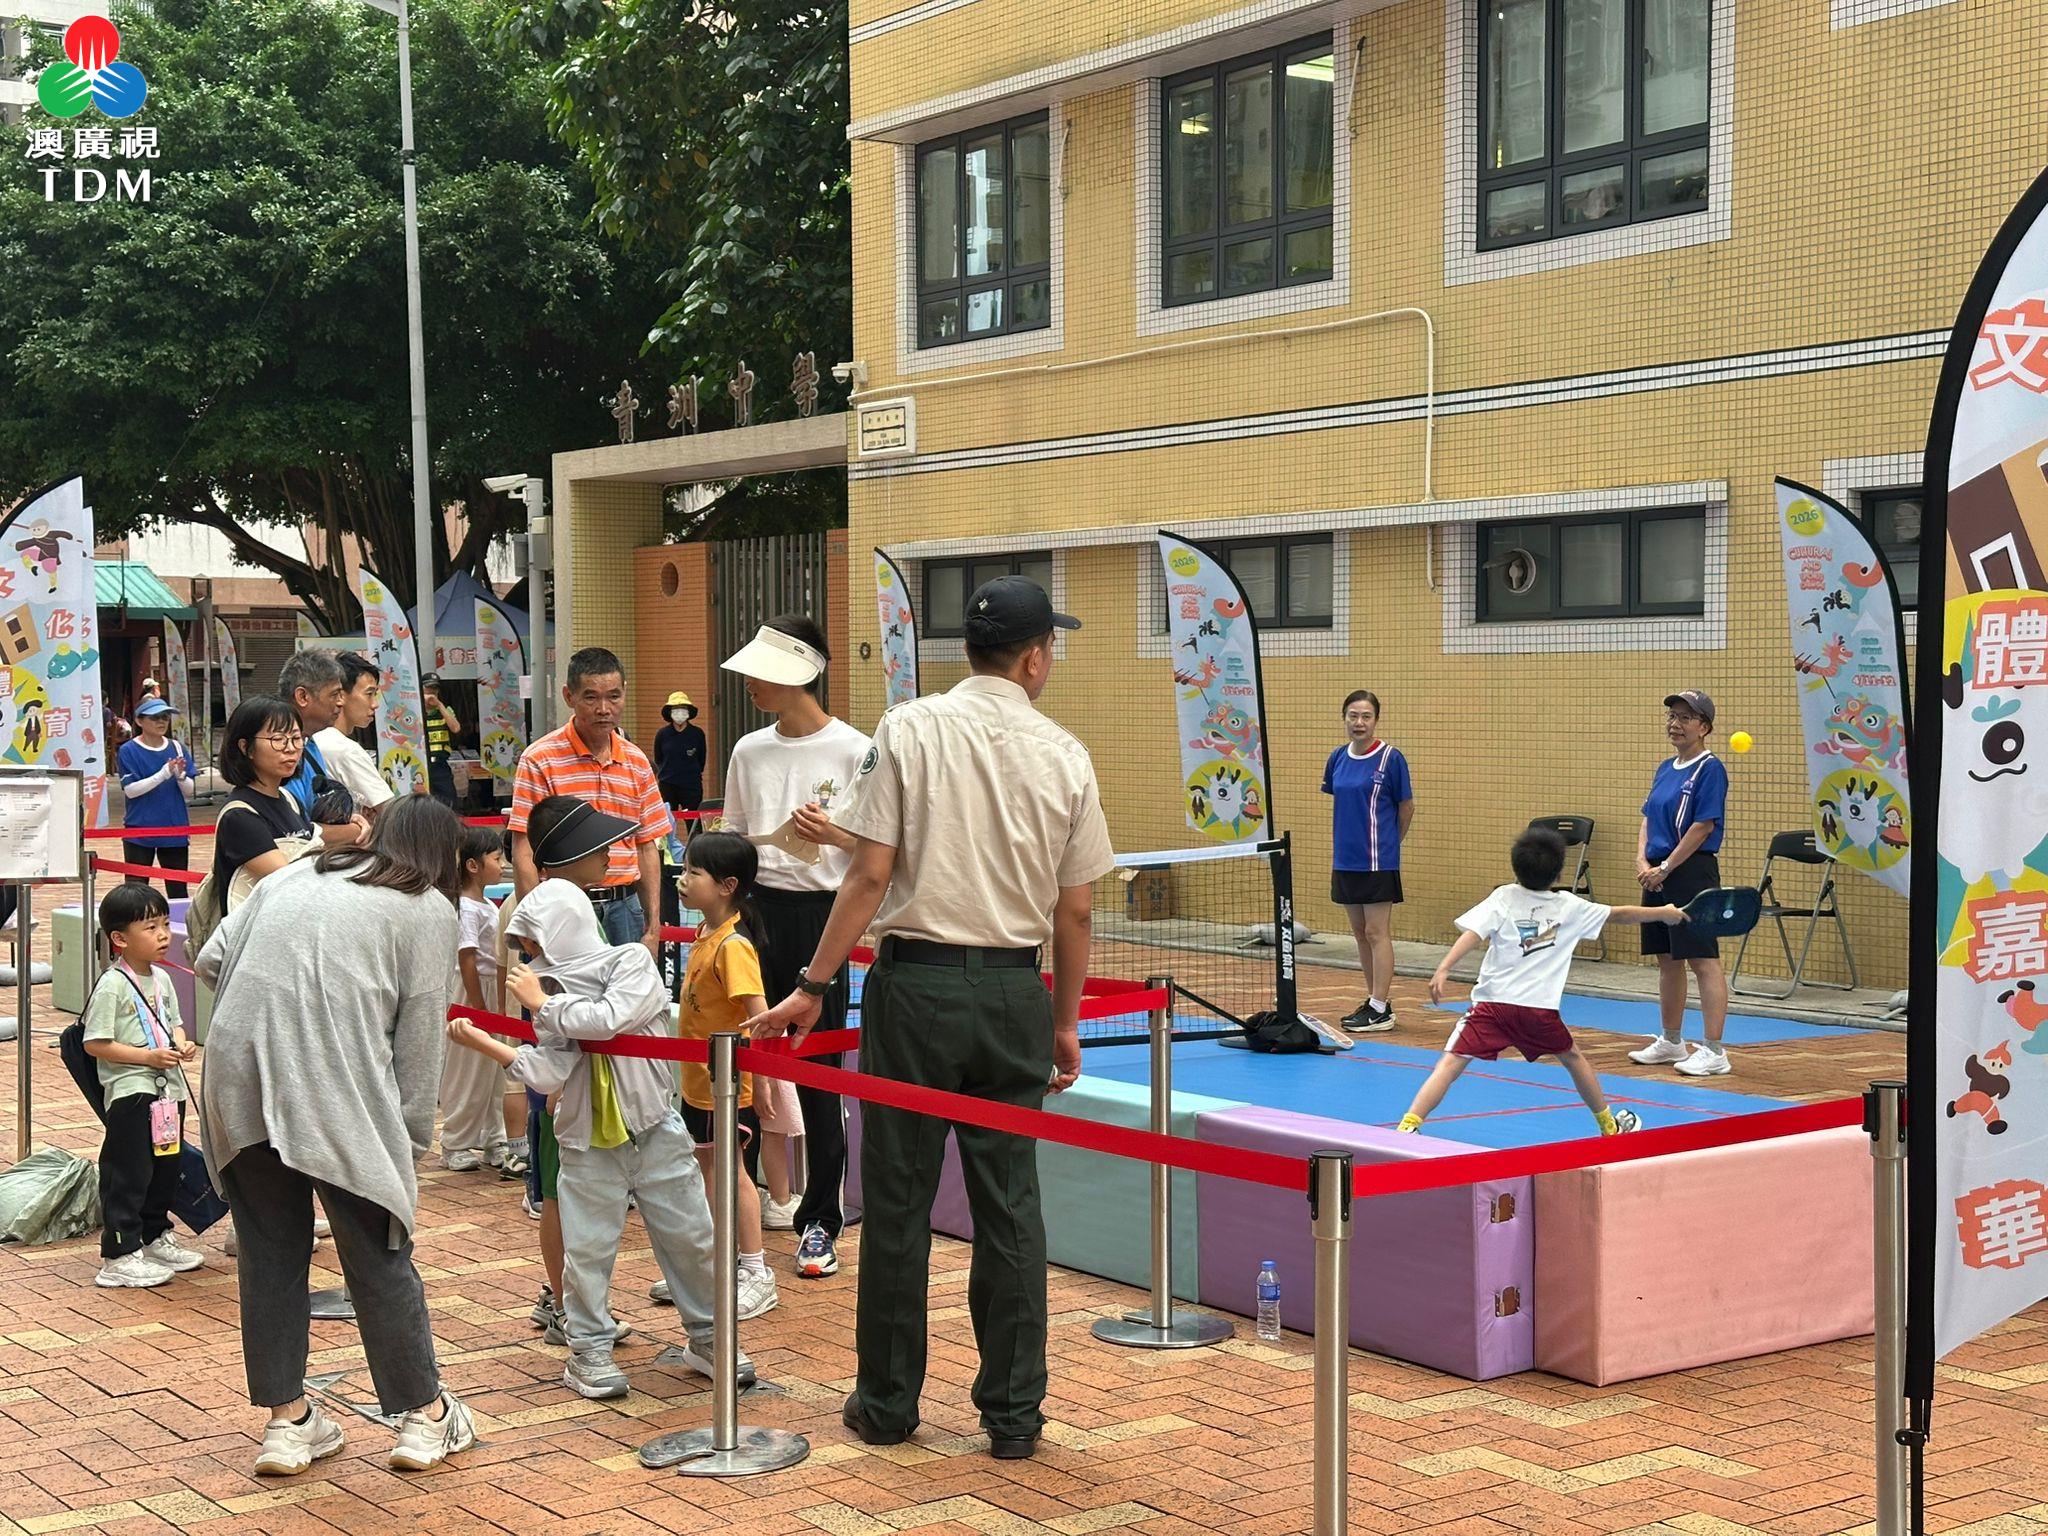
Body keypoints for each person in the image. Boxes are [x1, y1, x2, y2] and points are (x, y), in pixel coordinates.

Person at [754, 576, 1114, 1461]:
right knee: (1011, 1205)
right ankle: (1014, 1417)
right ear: (1035, 659)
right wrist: (1064, 1021)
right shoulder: (1065, 754)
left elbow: (870, 872)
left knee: (899, 1200)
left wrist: (812, 982)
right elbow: (1074, 911)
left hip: (914, 989)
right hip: (1014, 992)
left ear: (971, 650)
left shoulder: (909, 728)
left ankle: (886, 1405)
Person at [195, 798, 477, 1476]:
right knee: (378, 1249)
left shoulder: (297, 872)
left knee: (269, 1252)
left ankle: (288, 1424)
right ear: (444, 856)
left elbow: (209, 958)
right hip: (332, 1083)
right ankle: (424, 1417)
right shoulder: (427, 909)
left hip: (236, 1073)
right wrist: (409, 1141)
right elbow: (420, 1043)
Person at [444, 800, 752, 1402]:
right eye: (526, 947)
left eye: (534, 942)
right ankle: (588, 1349)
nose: (532, 958)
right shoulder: (553, 992)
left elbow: (606, 1020)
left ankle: (710, 1339)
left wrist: (543, 1004)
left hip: (655, 1128)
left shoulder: (629, 962)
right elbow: (547, 1069)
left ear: (564, 928)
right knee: (587, 1250)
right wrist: (489, 1043)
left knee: (691, 1238)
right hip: (586, 1140)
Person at [719, 616, 870, 1274]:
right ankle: (741, 1219)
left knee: (819, 1072)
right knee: (740, 1066)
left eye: (760, 672)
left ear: (798, 674)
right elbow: (731, 838)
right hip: (752, 914)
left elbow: (881, 851)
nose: (749, 684)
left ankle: (820, 1221)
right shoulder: (749, 751)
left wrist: (833, 836)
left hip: (821, 919)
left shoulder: (856, 750)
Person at [1400, 828, 1683, 1135]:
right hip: (1538, 1011)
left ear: (1516, 867)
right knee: (1573, 1058)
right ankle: (1609, 1127)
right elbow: (1621, 914)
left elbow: (1473, 934)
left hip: (1492, 1007)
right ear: (1559, 873)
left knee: (1451, 1063)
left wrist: (1444, 968)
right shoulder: (1570, 906)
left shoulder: (1504, 896)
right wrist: (1663, 912)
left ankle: (1408, 1125)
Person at [672, 832, 778, 1320]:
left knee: (734, 1173)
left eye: (694, 872)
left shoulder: (734, 946)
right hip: (699, 1085)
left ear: (727, 885)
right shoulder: (705, 934)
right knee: (708, 1171)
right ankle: (720, 1263)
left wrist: (766, 1080)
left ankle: (755, 1270)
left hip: (729, 1087)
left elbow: (760, 1018)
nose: (683, 880)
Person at [83, 882, 203, 1289]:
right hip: (132, 1092)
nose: (163, 935)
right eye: (151, 928)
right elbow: (95, 1043)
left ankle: (154, 1236)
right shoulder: (113, 983)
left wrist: (182, 1043)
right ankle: (119, 1253)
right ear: (119, 938)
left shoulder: (162, 978)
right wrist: (147, 1057)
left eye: (165, 924)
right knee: (129, 1172)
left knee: (164, 1168)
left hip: (168, 1091)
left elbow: (174, 1024)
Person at [509, 647, 667, 953]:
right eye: (591, 697)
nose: (604, 709)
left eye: (614, 696)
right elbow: (524, 850)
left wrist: (653, 927)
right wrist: (533, 925)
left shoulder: (637, 761)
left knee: (628, 986)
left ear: (625, 693)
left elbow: (646, 846)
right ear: (569, 696)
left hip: (626, 909)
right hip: (562, 910)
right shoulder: (539, 759)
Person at [1626, 690, 1736, 1077]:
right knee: (1667, 959)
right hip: (1657, 873)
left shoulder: (1710, 769)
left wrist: (1667, 866)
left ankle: (1714, 1050)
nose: (1675, 723)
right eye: (1672, 716)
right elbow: (1648, 816)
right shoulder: (1665, 767)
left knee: (1702, 959)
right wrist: (1643, 861)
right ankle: (1671, 1041)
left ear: (1704, 727)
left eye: (1686, 718)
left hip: (1691, 872)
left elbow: (1703, 825)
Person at [1322, 690, 1414, 1033]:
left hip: (1378, 860)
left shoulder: (1391, 759)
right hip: (1345, 859)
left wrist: (1390, 844)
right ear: (1344, 718)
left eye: (1366, 716)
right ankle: (1376, 1001)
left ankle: (1379, 1008)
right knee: (1360, 933)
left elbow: (1406, 807)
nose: (1359, 722)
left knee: (1376, 931)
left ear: (1376, 720)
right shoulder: (1337, 757)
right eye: (1353, 716)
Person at [437, 825, 522, 1173]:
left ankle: (494, 1138)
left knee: (493, 1071)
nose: (502, 865)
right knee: (468, 1070)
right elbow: (467, 957)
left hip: (487, 989)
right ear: (473, 865)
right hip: (472, 992)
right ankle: (455, 1141)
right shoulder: (466, 908)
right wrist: (478, 1006)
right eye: (496, 859)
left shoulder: (486, 904)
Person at [213, 697, 319, 908]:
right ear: (246, 747)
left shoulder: (289, 800)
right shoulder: (240, 815)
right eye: (278, 739)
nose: (291, 748)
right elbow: (291, 881)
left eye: (296, 738)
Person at [276, 651, 367, 848]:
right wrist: (354, 831)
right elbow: (293, 833)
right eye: (334, 694)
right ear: (302, 696)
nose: (341, 702)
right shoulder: (277, 753)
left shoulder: (310, 745)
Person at [118, 697, 197, 893]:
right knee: (136, 889)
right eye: (155, 717)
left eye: (165, 717)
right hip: (140, 828)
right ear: (139, 721)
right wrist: (162, 774)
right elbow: (131, 790)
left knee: (178, 889)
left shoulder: (177, 748)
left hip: (174, 827)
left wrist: (180, 776)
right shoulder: (129, 750)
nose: (161, 722)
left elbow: (189, 791)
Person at [312, 653, 396, 819]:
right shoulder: (344, 749)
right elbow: (390, 811)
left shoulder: (315, 739)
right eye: (369, 694)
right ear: (340, 695)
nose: (375, 704)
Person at [653, 691, 707, 823]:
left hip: (691, 785)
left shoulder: (697, 733)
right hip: (668, 784)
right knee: (667, 822)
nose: (679, 713)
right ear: (670, 713)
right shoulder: (662, 734)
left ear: (688, 712)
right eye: (675, 709)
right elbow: (658, 758)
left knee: (694, 823)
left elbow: (701, 759)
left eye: (683, 709)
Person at [422, 673, 461, 807]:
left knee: (448, 800)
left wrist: (439, 705)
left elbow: (455, 728)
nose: (432, 692)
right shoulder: (415, 711)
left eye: (435, 689)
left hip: (439, 764)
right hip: (421, 763)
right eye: (428, 688)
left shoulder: (445, 710)